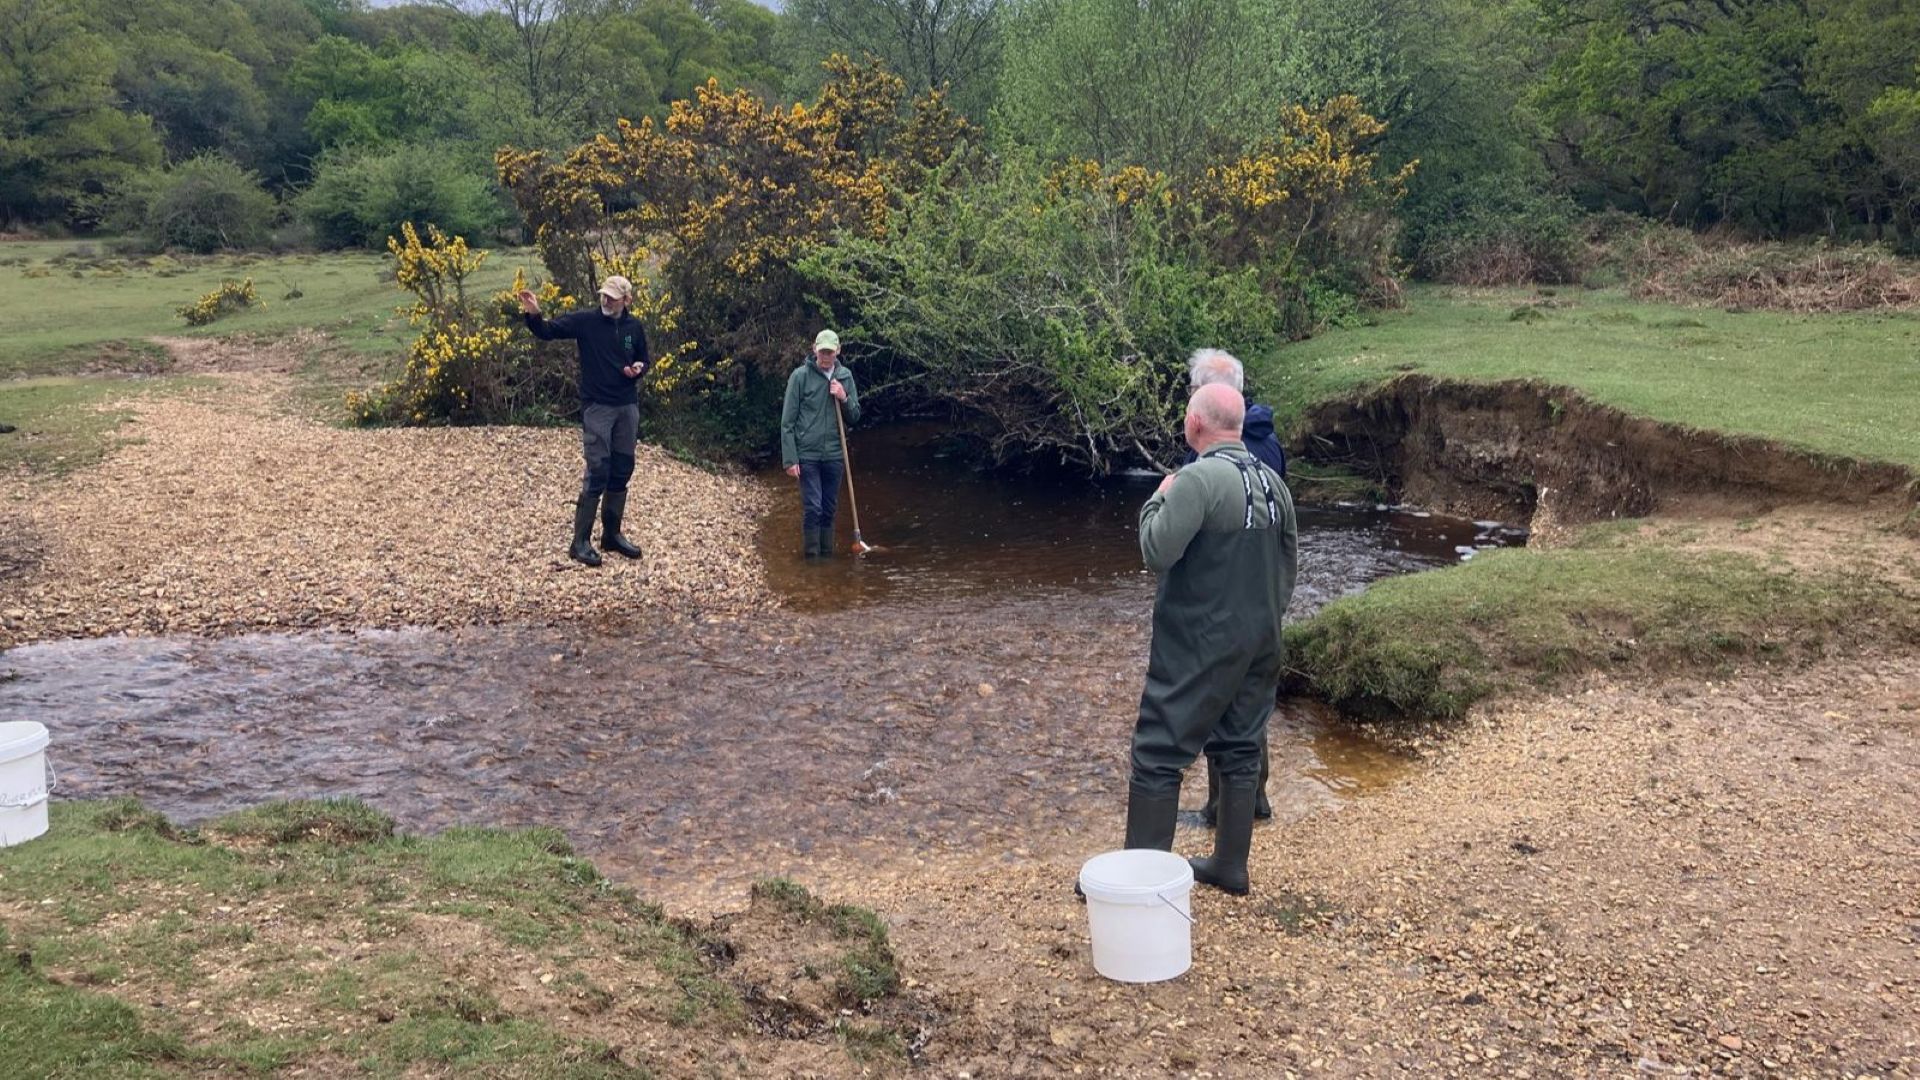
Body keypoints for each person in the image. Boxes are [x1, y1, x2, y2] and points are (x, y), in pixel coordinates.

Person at [1125, 382, 1298, 895]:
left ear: (1195, 424)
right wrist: (1263, 623)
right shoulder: (1274, 484)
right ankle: (1229, 864)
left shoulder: (1197, 481)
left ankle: (1142, 880)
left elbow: (1156, 550)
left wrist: (1156, 500)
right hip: (1261, 638)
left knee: (1158, 753)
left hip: (1200, 642)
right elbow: (1288, 566)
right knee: (1240, 746)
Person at [1184, 348, 1285, 825]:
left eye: (1195, 393)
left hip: (1228, 602)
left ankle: (1226, 808)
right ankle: (1248, 802)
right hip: (1258, 597)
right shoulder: (1266, 442)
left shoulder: (1229, 456)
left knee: (1225, 706)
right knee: (1247, 704)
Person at [516, 276, 650, 567]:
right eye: (604, 295)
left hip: (627, 405)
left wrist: (638, 369)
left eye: (613, 297)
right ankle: (579, 543)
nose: (606, 300)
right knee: (598, 469)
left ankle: (611, 535)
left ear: (627, 300)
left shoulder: (634, 327)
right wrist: (534, 313)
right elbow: (547, 331)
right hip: (597, 407)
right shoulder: (586, 321)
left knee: (623, 468)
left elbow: (643, 358)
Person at [780, 329, 861, 558]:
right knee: (813, 508)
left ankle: (827, 559)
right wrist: (790, 459)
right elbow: (787, 422)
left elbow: (854, 416)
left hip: (835, 453)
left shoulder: (845, 376)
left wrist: (844, 397)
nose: (826, 356)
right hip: (807, 454)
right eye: (822, 351)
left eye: (830, 352)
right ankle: (812, 560)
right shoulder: (800, 377)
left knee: (828, 509)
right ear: (814, 349)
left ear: (838, 351)